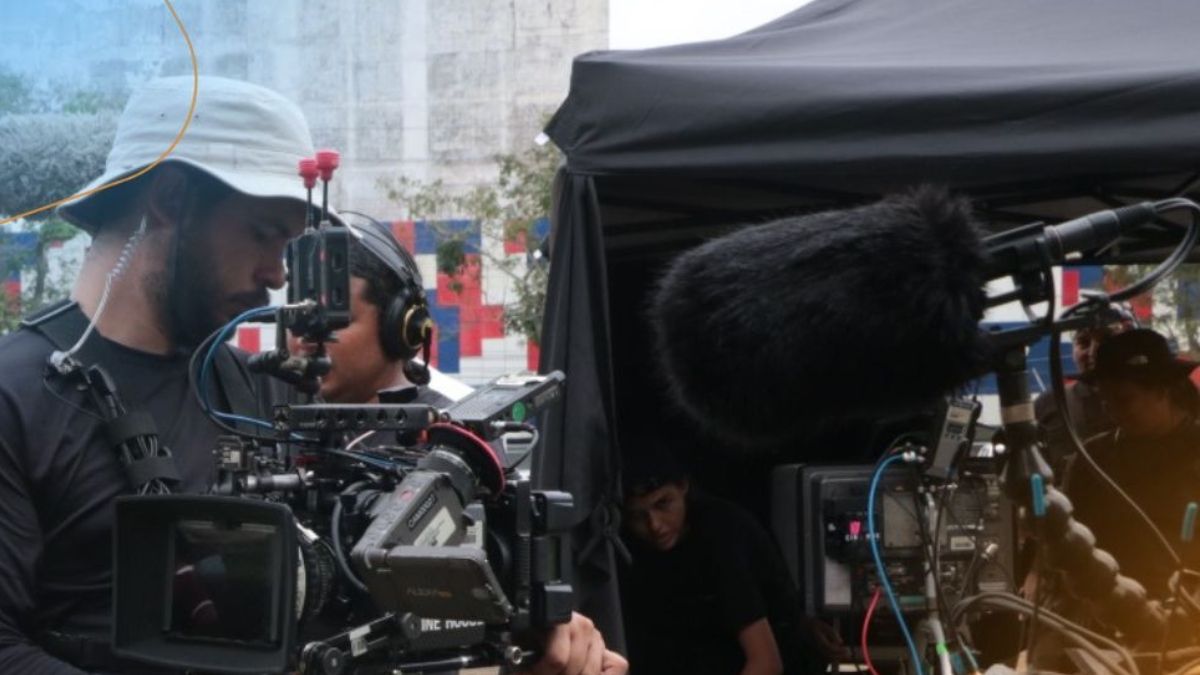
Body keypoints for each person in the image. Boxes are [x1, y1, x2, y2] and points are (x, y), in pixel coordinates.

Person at [0, 75, 623, 675]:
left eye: (291, 247)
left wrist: (514, 635)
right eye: (265, 234)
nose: (277, 274)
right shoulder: (18, 396)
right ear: (170, 199)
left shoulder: (263, 389)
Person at [1027, 328, 1200, 667]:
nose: (1113, 411)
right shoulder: (1092, 458)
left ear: (1162, 390)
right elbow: (1063, 537)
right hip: (1102, 629)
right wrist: (1038, 575)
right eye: (1106, 400)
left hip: (1184, 630)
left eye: (1124, 399)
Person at [618, 444, 842, 675]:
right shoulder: (629, 549)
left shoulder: (720, 537)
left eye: (663, 503)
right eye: (638, 515)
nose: (654, 525)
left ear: (683, 486)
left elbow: (766, 663)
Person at [290, 212, 456, 408]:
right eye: (298, 317)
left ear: (399, 327)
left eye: (332, 319)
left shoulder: (452, 434)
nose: (306, 338)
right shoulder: (275, 427)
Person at [1033, 307, 1133, 479]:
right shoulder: (1049, 402)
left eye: (1106, 341)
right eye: (1084, 343)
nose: (1093, 352)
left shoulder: (1152, 400)